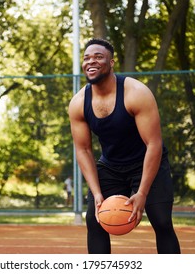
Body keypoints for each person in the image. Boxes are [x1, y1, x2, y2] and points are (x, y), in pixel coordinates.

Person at [68, 38, 181, 254]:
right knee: (95, 220)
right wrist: (97, 192)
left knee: (162, 221)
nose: (91, 61)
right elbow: (83, 150)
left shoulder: (136, 93)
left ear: (111, 63)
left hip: (146, 161)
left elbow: (154, 144)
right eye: (87, 58)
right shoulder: (78, 102)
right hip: (110, 166)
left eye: (99, 57)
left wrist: (142, 193)